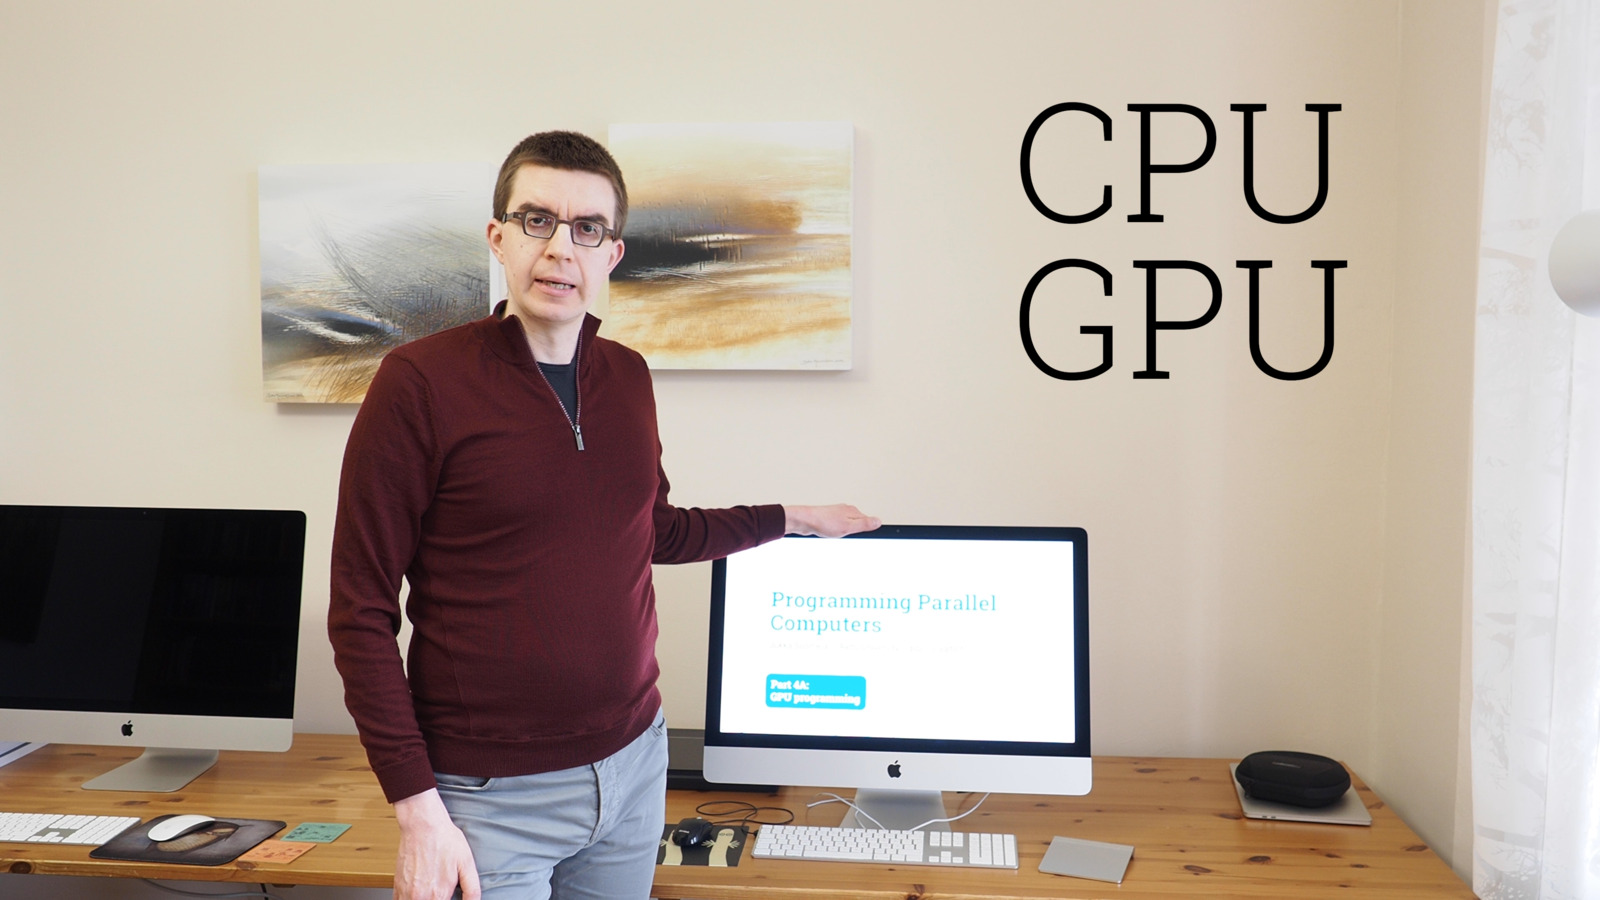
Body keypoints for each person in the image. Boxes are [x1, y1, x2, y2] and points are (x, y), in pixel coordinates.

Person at [327, 130, 878, 900]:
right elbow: (359, 611)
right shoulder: (417, 383)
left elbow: (655, 530)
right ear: (498, 237)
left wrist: (792, 517)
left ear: (611, 254)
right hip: (489, 798)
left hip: (634, 768)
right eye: (537, 220)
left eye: (587, 228)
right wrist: (417, 809)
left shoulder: (628, 376)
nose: (561, 248)